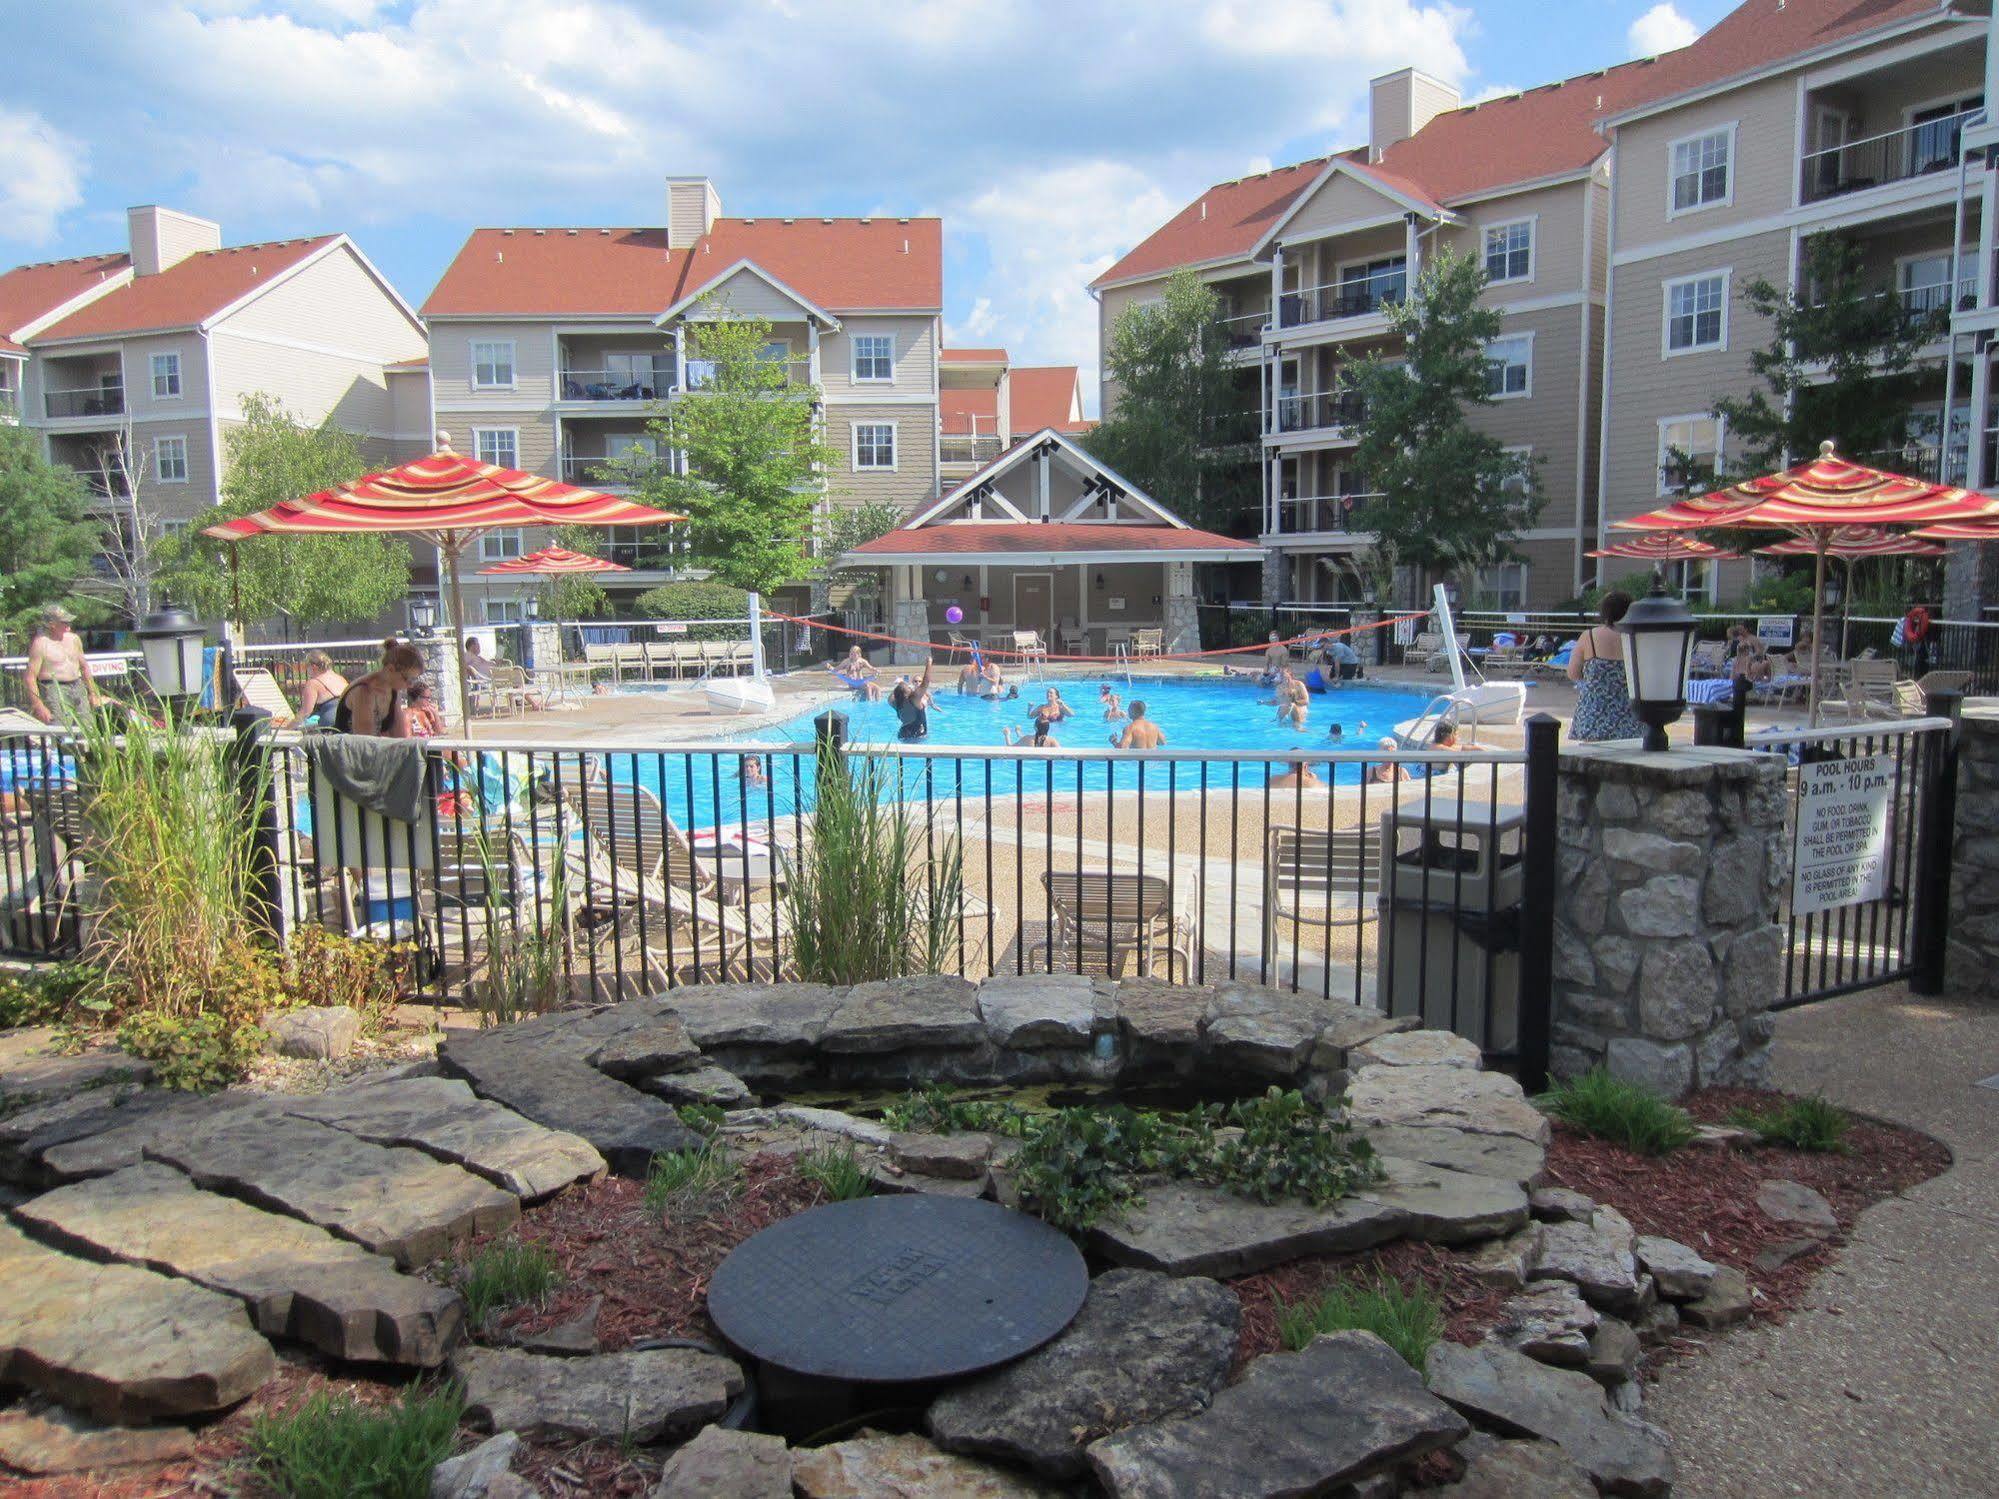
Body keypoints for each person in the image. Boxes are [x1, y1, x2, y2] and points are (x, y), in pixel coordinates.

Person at [1565, 591, 1646, 742]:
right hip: (1630, 719)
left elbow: (1573, 673)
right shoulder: (1637, 638)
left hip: (1594, 717)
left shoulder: (1588, 637)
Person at [24, 606, 105, 725]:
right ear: (52, 624)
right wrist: (38, 705)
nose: (68, 624)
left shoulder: (74, 639)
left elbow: (84, 668)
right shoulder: (40, 643)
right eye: (64, 622)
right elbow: (30, 677)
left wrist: (93, 693)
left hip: (77, 685)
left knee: (87, 725)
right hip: (54, 688)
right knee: (62, 729)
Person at [334, 638, 425, 738]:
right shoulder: (364, 691)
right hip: (350, 751)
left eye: (414, 680)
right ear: (391, 669)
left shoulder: (393, 689)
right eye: (408, 679)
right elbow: (366, 743)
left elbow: (401, 738)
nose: (410, 685)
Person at [296, 650, 348, 727]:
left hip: (330, 724)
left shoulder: (313, 683)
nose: (306, 671)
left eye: (306, 667)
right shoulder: (340, 679)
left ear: (313, 667)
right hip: (348, 720)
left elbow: (305, 712)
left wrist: (287, 728)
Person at [889, 659, 935, 742]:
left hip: (902, 733)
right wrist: (929, 663)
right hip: (917, 733)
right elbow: (926, 682)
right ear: (907, 694)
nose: (910, 688)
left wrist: (899, 685)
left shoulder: (895, 703)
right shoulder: (914, 699)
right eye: (908, 688)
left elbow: (890, 697)